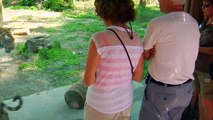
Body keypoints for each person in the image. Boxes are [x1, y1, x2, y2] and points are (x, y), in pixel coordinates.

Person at [138, 0, 200, 120]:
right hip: (185, 90)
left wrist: (151, 50)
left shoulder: (157, 23)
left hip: (162, 92)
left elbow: (145, 55)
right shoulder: (193, 22)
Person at [84, 0, 144, 120]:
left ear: (104, 12)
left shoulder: (100, 39)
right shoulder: (136, 38)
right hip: (125, 104)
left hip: (100, 107)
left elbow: (89, 80)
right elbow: (138, 77)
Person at [194, 0, 213, 119]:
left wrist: (197, 48)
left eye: (206, 5)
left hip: (208, 70)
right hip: (198, 67)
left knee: (207, 101)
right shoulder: (204, 22)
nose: (203, 8)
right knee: (200, 97)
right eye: (202, 5)